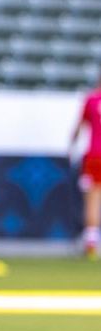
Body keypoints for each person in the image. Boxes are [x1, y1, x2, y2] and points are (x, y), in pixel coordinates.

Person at [70, 74, 101, 258]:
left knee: (93, 200)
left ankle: (91, 243)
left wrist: (71, 147)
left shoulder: (91, 100)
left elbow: (79, 127)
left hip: (94, 156)